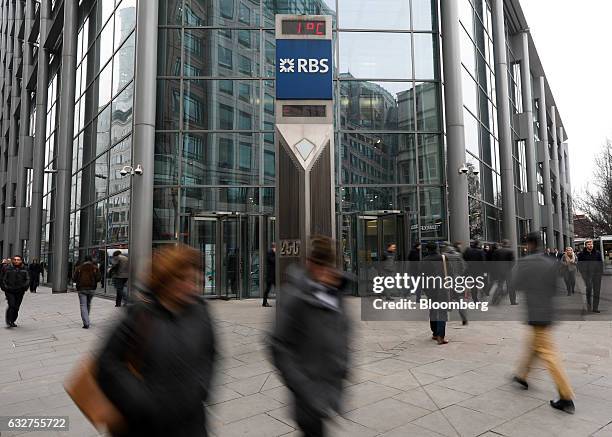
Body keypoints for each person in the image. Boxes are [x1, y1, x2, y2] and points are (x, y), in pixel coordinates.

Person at [97, 245, 217, 437]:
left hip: (192, 423)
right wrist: (143, 402)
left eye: (193, 278)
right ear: (165, 280)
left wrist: (201, 388)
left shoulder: (199, 310)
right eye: (182, 278)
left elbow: (210, 353)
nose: (191, 285)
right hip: (146, 427)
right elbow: (107, 363)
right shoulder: (139, 315)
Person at [270, 236, 351, 437]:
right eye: (319, 265)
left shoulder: (334, 293)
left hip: (329, 389)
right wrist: (303, 387)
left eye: (327, 265)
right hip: (307, 395)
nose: (323, 271)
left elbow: (343, 332)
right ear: (309, 263)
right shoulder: (292, 296)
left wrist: (343, 366)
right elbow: (277, 345)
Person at [511, 232, 575, 414]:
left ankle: (566, 396)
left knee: (548, 353)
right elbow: (556, 288)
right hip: (548, 310)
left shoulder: (524, 263)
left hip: (535, 311)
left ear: (528, 245)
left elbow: (515, 284)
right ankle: (522, 375)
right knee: (534, 346)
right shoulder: (550, 262)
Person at [423, 242, 449, 344]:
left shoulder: (424, 260)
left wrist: (425, 289)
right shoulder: (443, 258)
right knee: (442, 311)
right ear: (437, 248)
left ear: (427, 250)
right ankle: (440, 336)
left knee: (433, 310)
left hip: (430, 289)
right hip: (441, 287)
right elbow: (449, 272)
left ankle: (434, 333)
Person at [441, 242, 468, 325]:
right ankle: (464, 318)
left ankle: (445, 318)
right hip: (458, 280)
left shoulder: (443, 256)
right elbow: (464, 267)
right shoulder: (458, 255)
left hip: (447, 280)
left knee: (445, 298)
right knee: (460, 299)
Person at [72, 256, 101, 329]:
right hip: (91, 289)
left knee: (83, 305)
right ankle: (87, 318)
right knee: (88, 304)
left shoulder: (79, 268)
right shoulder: (95, 268)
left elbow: (74, 278)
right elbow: (98, 278)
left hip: (81, 289)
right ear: (91, 260)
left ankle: (86, 322)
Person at [2, 256, 30, 328]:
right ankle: (9, 320)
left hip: (20, 291)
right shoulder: (7, 268)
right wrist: (5, 287)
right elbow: (3, 279)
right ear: (12, 261)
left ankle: (13, 320)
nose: (16, 261)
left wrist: (24, 287)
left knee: (16, 307)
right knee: (11, 305)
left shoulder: (25, 269)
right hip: (9, 290)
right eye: (15, 260)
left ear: (21, 261)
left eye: (18, 260)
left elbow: (28, 279)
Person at [577, 240, 603, 313]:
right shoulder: (581, 254)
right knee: (588, 290)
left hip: (597, 275)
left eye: (591, 244)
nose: (590, 245)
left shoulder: (597, 253)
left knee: (597, 291)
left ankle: (595, 308)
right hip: (587, 275)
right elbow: (579, 265)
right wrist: (583, 274)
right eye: (588, 244)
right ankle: (589, 306)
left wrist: (600, 273)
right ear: (586, 245)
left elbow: (601, 263)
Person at [490, 239, 517, 305]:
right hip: (508, 271)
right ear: (507, 244)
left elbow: (493, 262)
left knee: (499, 285)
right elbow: (513, 262)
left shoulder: (497, 251)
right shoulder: (511, 251)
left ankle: (494, 300)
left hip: (499, 271)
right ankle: (513, 301)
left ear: (502, 244)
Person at [262, 243, 276, 307]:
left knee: (277, 289)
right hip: (270, 275)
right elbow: (273, 260)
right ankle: (264, 302)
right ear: (273, 247)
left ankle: (264, 302)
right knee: (267, 289)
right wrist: (275, 253)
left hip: (273, 275)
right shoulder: (270, 252)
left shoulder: (271, 252)